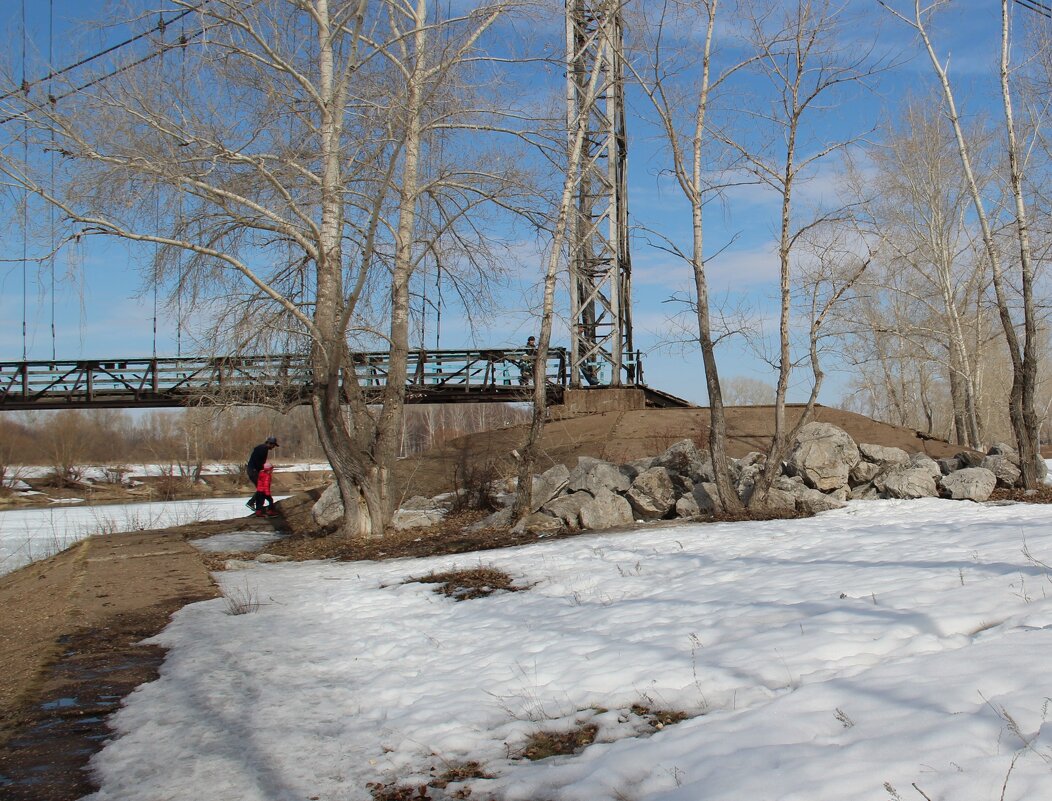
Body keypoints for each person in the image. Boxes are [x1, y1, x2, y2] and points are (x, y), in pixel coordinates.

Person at [246, 436, 278, 511]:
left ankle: (258, 508)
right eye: (273, 445)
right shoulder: (263, 449)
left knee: (261, 489)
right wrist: (264, 469)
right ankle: (252, 503)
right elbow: (259, 462)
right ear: (270, 443)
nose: (273, 447)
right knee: (262, 489)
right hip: (253, 471)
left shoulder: (261, 448)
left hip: (252, 470)